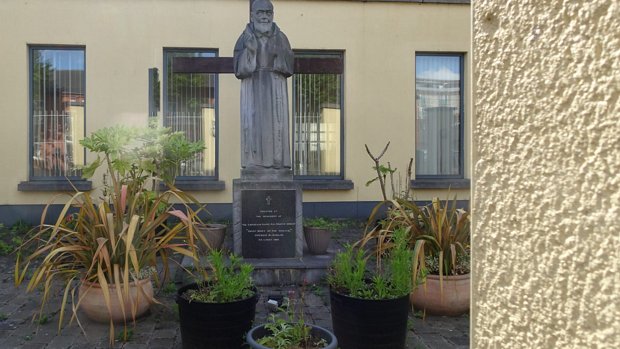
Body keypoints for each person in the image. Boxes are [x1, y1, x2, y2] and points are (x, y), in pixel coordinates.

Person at [233, 0, 294, 173]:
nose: (265, 16)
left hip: (275, 88)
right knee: (253, 127)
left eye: (268, 13)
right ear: (252, 15)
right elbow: (238, 68)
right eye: (261, 13)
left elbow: (289, 65)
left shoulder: (281, 37)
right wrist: (250, 51)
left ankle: (277, 164)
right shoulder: (244, 38)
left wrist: (279, 54)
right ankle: (253, 163)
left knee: (277, 127)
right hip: (252, 88)